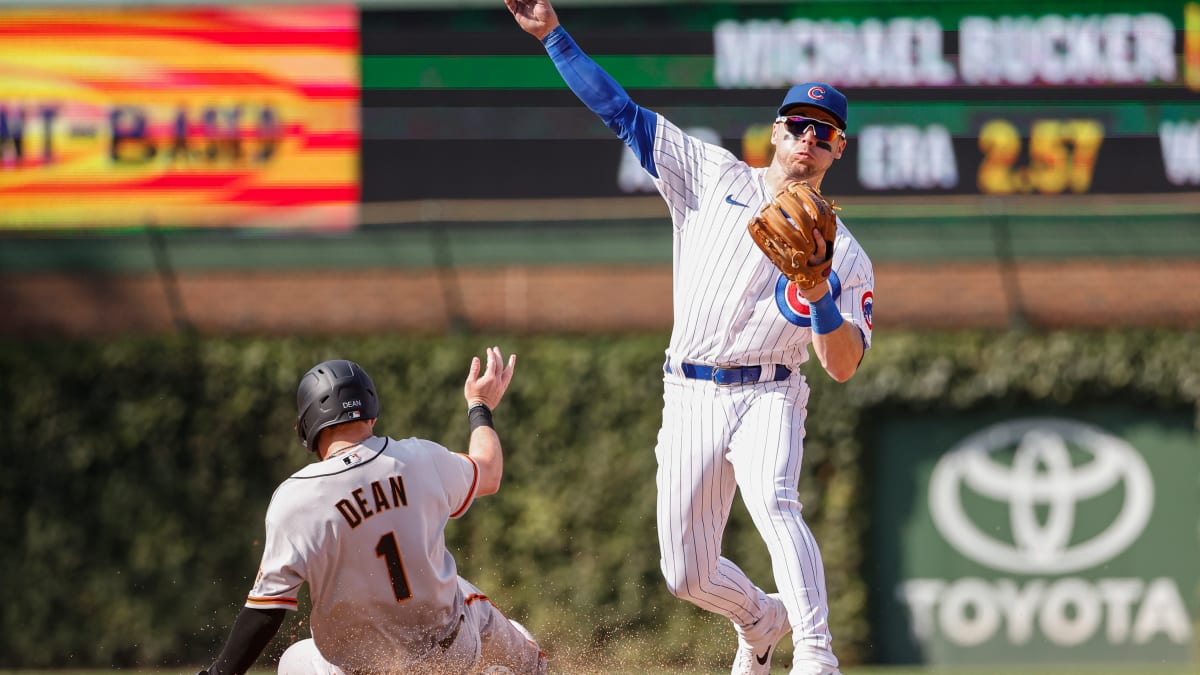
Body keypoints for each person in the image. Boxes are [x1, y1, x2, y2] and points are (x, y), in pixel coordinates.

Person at [505, 2, 874, 674]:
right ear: (775, 132)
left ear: (839, 149)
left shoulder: (846, 255)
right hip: (691, 391)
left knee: (775, 497)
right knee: (684, 573)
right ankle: (761, 618)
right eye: (799, 126)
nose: (808, 141)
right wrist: (553, 37)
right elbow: (621, 113)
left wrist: (821, 295)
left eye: (825, 135)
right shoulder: (711, 175)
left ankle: (817, 653)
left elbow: (843, 364)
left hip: (771, 391)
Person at [198, 348, 547, 675]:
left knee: (296, 660)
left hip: (360, 672)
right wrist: (480, 404)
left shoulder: (295, 499)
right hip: (450, 653)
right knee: (463, 594)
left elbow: (264, 613)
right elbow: (489, 471)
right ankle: (531, 667)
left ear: (307, 426)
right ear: (372, 413)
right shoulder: (420, 458)